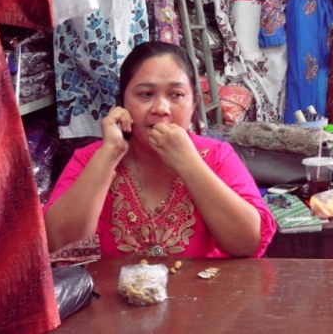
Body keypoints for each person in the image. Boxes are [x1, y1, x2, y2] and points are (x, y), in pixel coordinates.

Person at [44, 41, 276, 258]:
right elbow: (61, 247)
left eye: (176, 95)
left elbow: (248, 243)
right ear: (122, 104)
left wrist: (189, 163)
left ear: (194, 103)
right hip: (110, 299)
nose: (161, 108)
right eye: (145, 94)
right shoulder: (93, 158)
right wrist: (110, 153)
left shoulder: (216, 156)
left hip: (202, 298)